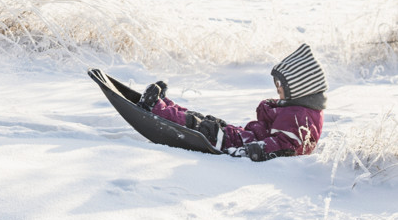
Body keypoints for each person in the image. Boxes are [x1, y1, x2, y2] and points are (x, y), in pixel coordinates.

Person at [137, 44, 328, 161]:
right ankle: (164, 105)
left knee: (205, 128)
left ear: (300, 87)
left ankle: (156, 108)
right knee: (207, 122)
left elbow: (287, 147)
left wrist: (254, 150)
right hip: (246, 137)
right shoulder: (298, 110)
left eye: (281, 84)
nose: (277, 88)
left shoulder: (300, 116)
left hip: (246, 145)